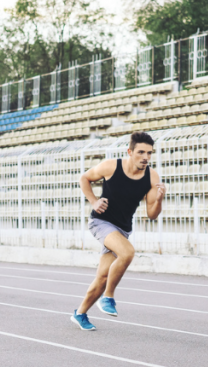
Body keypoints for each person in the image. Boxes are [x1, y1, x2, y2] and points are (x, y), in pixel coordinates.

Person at [71, 132, 165, 331]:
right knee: (127, 252)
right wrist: (94, 201)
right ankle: (108, 297)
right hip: (101, 222)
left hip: (122, 229)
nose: (145, 157)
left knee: (103, 277)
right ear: (130, 152)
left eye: (149, 153)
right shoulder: (111, 166)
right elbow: (84, 178)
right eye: (141, 152)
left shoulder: (151, 177)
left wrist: (159, 200)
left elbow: (152, 214)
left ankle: (80, 313)